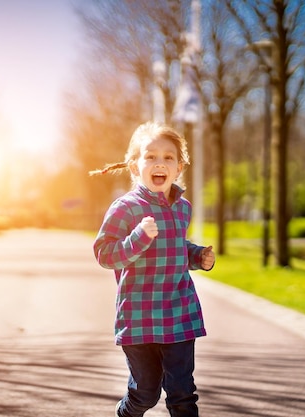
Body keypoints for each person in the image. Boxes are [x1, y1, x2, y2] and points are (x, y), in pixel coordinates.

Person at [90, 121, 215, 417]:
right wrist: (138, 238)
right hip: (139, 317)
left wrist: (197, 257)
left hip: (179, 313)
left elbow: (176, 247)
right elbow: (104, 254)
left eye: (168, 157)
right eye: (151, 156)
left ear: (179, 167)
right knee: (145, 393)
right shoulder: (125, 207)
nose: (160, 163)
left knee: (183, 393)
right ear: (135, 166)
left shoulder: (183, 207)